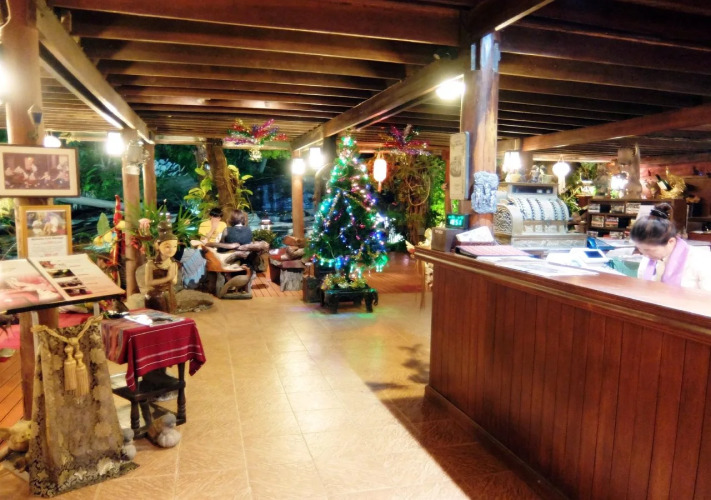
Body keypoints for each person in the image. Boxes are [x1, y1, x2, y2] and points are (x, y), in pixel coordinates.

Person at [630, 202, 711, 290]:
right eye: (640, 249)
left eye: (649, 250)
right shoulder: (648, 258)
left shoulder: (701, 260)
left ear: (671, 241)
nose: (645, 255)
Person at [144, 221, 180, 313]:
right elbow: (148, 282)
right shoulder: (151, 264)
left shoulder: (173, 263)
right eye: (167, 247)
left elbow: (174, 281)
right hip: (154, 295)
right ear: (157, 246)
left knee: (170, 315)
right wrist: (168, 277)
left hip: (169, 294)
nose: (172, 250)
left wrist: (172, 277)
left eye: (175, 246)